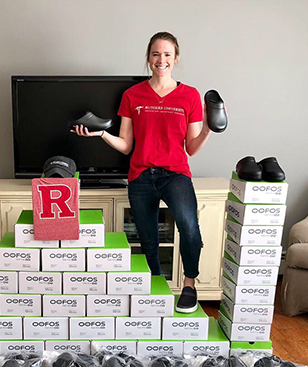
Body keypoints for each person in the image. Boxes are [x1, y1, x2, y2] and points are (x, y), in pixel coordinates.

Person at [72, 31, 216, 312]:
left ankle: (189, 285)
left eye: (166, 54)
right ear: (148, 58)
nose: (161, 60)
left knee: (189, 228)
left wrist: (209, 127)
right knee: (148, 238)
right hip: (141, 175)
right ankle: (156, 284)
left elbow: (192, 148)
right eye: (155, 54)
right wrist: (100, 134)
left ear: (176, 58)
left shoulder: (189, 96)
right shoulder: (132, 95)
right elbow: (126, 146)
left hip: (175, 174)